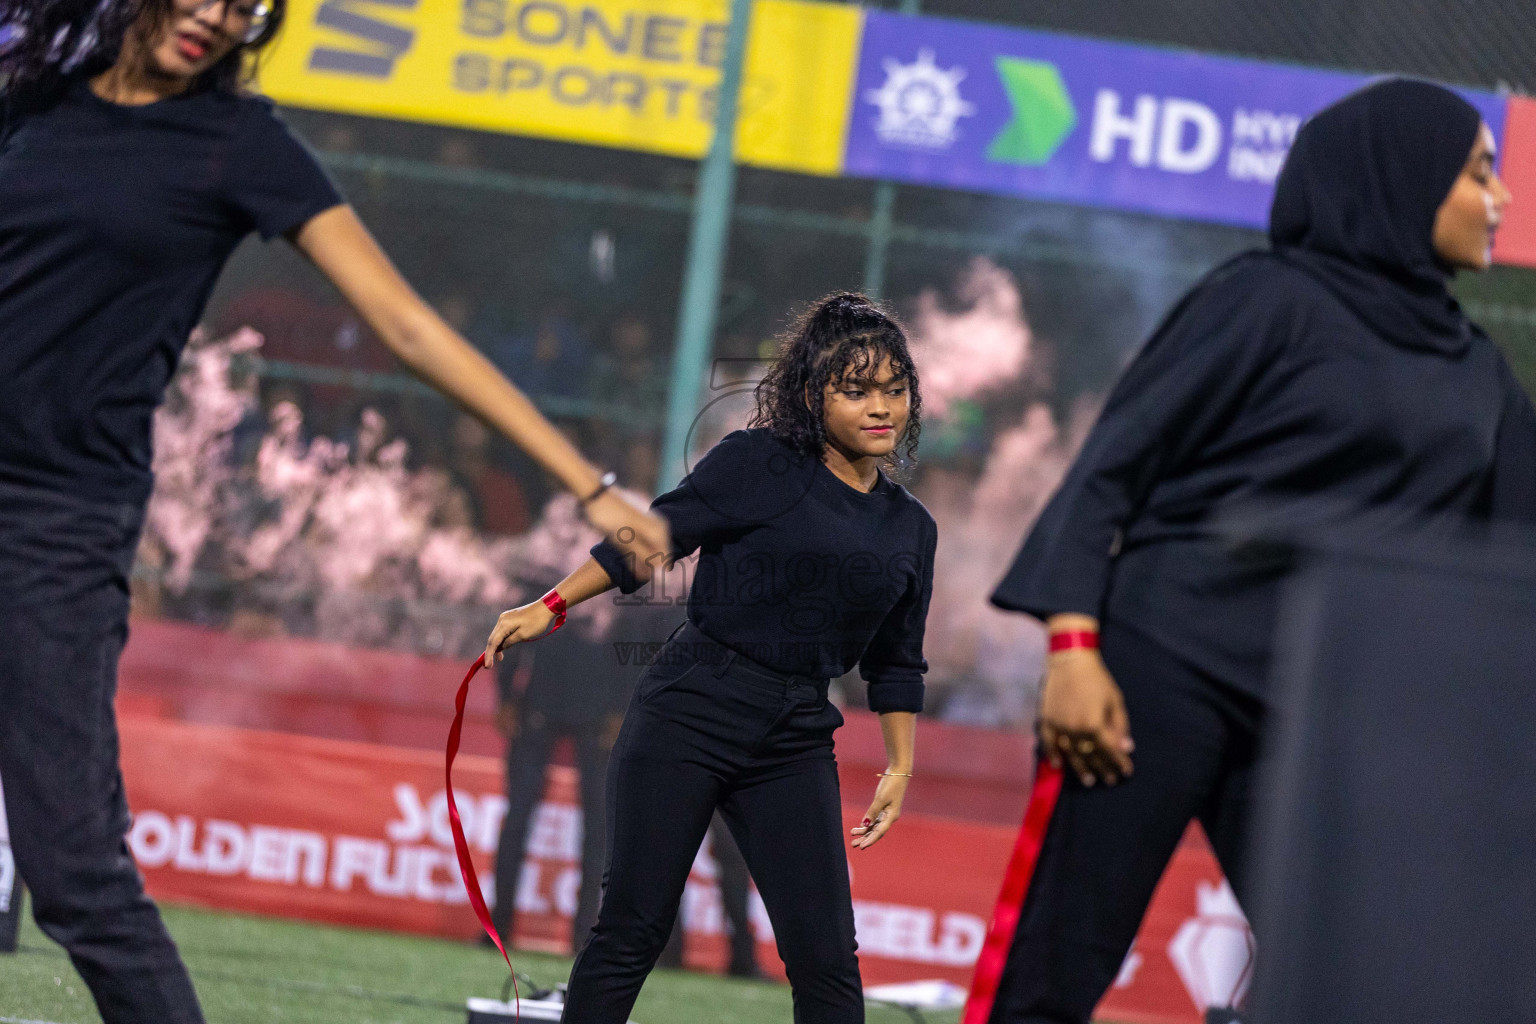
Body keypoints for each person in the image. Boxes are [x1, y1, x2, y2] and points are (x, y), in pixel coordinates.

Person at [0, 2, 668, 1022]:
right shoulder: (37, 97)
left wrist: (589, 480)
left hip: (56, 525)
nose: (217, 16)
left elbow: (405, 324)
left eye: (246, 5)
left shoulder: (239, 146)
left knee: (76, 873)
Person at [977, 79, 1534, 1023]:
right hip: (1158, 672)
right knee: (1055, 970)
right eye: (1482, 174)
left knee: (1369, 986)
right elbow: (1113, 466)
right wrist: (1073, 648)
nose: (1504, 200)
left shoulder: (1479, 373)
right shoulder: (1266, 299)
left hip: (1322, 713)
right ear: (1403, 178)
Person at [485, 293, 938, 1024]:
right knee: (630, 930)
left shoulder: (912, 526)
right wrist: (553, 604)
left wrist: (900, 764)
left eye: (894, 389)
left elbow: (898, 659)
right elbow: (653, 537)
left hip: (795, 736)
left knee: (827, 961)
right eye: (856, 390)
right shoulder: (758, 463)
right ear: (812, 393)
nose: (880, 406)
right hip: (691, 707)